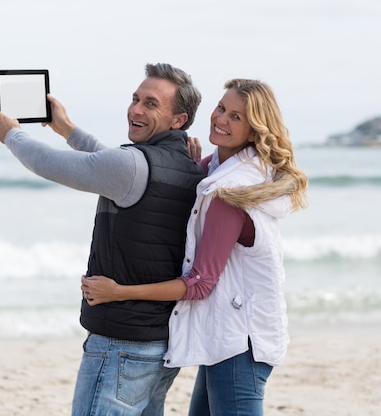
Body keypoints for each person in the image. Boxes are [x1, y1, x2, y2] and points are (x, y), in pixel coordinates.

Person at [0, 63, 206, 416]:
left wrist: (11, 134)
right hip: (162, 344)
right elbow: (112, 163)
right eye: (135, 98)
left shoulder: (132, 166)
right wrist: (67, 129)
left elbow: (52, 163)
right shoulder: (190, 167)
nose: (135, 109)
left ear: (179, 119)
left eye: (151, 104)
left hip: (121, 345)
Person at [81, 79, 308, 416]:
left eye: (236, 117)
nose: (220, 120)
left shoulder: (229, 192)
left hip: (240, 343)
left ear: (254, 130)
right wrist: (67, 129)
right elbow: (122, 167)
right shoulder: (222, 171)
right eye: (221, 108)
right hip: (232, 335)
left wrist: (119, 292)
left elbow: (200, 284)